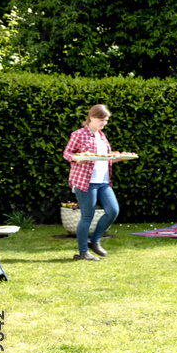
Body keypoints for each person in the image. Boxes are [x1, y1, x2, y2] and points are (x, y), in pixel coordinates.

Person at [62, 104, 123, 260]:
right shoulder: (79, 134)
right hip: (85, 181)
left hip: (103, 181)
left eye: (106, 120)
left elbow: (104, 158)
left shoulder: (102, 136)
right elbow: (67, 153)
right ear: (91, 117)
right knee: (87, 217)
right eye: (101, 120)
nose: (104, 123)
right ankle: (83, 252)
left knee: (113, 211)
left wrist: (116, 158)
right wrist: (77, 158)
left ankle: (94, 240)